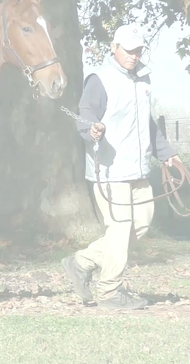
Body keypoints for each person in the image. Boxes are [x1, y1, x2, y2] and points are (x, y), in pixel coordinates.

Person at [61, 24, 180, 310]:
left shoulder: (143, 79)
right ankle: (109, 291)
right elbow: (85, 114)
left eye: (138, 50)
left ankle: (81, 262)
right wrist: (92, 129)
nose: (133, 55)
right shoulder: (100, 80)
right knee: (120, 228)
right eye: (128, 50)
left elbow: (146, 123)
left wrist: (166, 153)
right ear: (114, 48)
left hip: (138, 170)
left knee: (141, 225)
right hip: (111, 171)